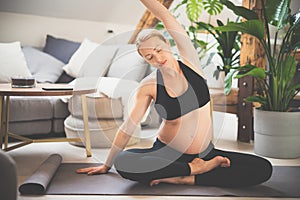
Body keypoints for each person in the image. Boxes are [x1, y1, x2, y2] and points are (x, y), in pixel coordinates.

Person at [77, 0, 272, 187]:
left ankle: (185, 177)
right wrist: (107, 165)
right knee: (124, 162)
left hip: (206, 154)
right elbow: (128, 127)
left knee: (263, 168)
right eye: (150, 57)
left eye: (159, 50)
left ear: (168, 44)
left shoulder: (190, 63)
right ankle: (190, 170)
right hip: (165, 153)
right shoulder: (149, 86)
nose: (158, 58)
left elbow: (165, 15)